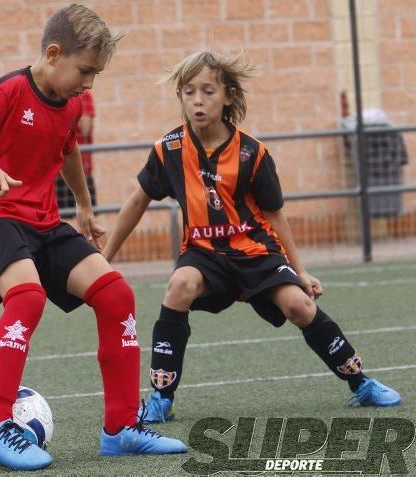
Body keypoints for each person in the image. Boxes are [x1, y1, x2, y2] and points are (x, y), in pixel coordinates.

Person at [0, 4, 186, 472]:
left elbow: (67, 147)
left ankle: (120, 428)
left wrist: (84, 205)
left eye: (96, 74)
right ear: (53, 54)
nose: (89, 83)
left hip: (45, 222)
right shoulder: (9, 90)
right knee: (27, 298)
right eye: (85, 71)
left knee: (117, 295)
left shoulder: (70, 102)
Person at [103, 50, 402, 425]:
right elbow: (137, 200)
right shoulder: (169, 149)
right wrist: (106, 257)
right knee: (179, 285)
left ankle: (361, 383)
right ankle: (162, 397)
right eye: (189, 91)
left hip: (255, 251)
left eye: (208, 91)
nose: (198, 100)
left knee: (300, 307)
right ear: (180, 96)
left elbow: (275, 214)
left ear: (228, 96)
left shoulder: (252, 153)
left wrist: (301, 271)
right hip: (204, 255)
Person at [55, 89, 97, 211]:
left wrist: (70, 106)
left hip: (81, 169)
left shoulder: (84, 96)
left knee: (88, 214)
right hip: (56, 171)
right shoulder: (56, 95)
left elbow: (85, 129)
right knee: (58, 216)